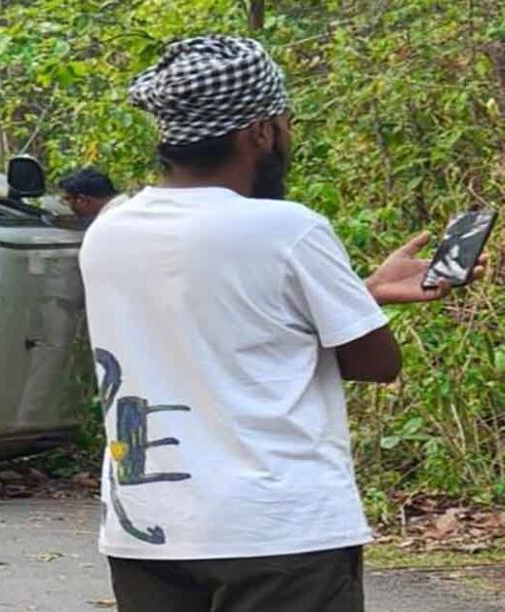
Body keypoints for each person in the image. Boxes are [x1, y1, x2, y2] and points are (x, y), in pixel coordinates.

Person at [80, 36, 487, 612]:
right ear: (260, 132)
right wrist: (359, 303)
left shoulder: (111, 228)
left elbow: (217, 324)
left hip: (148, 530)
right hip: (277, 535)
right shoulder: (288, 228)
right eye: (286, 122)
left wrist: (362, 291)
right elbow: (376, 363)